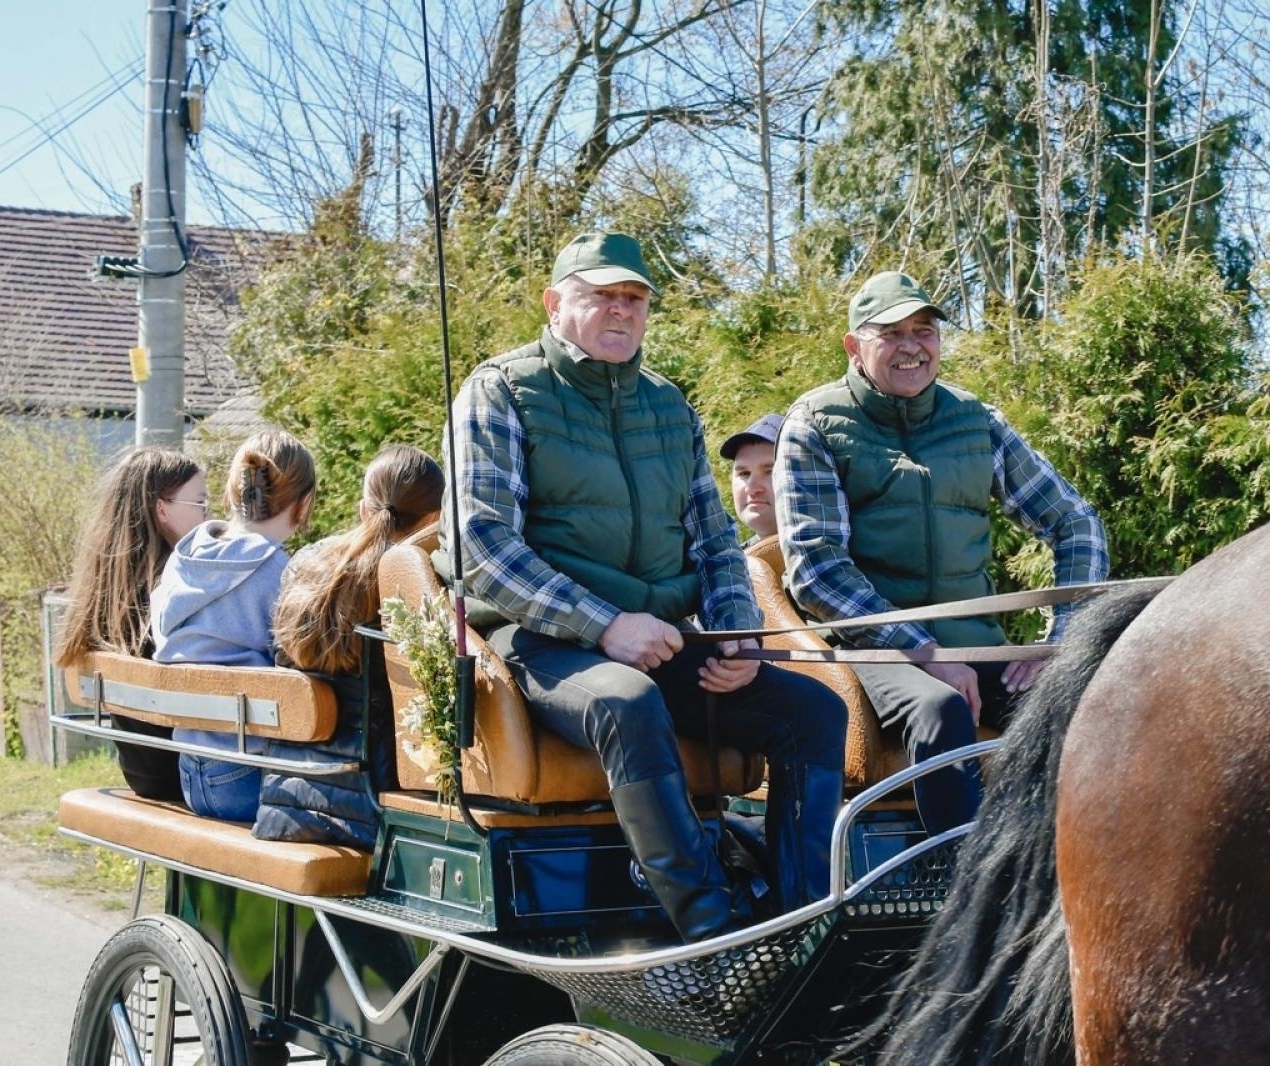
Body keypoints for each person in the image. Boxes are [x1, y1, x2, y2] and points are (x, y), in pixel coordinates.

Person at [441, 231, 847, 942]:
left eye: (634, 299)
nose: (622, 312)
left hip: (661, 638)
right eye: (602, 296)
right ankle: (711, 928)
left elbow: (715, 540)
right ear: (554, 303)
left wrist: (735, 633)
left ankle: (801, 923)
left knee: (813, 712)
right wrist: (603, 624)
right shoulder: (499, 390)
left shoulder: (669, 406)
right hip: (539, 642)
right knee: (627, 702)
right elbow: (482, 548)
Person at [777, 271, 1109, 834]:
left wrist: (1061, 642)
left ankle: (1062, 891)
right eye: (892, 333)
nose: (912, 346)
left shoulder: (976, 420)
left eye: (925, 331)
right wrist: (924, 650)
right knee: (940, 709)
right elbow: (817, 572)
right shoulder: (813, 424)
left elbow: (1076, 524)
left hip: (976, 644)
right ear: (854, 347)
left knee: (1090, 700)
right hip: (870, 649)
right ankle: (963, 898)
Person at [259, 444, 444, 848]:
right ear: (435, 519)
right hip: (373, 811)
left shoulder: (306, 564)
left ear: (364, 509)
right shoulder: (420, 583)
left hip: (287, 798)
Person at [150, 429, 317, 821]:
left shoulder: (184, 557)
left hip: (190, 770)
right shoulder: (281, 572)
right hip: (248, 779)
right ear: (304, 504)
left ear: (232, 491)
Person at [57, 447, 208, 800]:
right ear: (161, 509)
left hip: (142, 774)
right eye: (199, 503)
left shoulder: (106, 596)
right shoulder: (177, 592)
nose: (208, 515)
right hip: (190, 775)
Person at [719, 413, 782, 545]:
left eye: (770, 472)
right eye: (744, 473)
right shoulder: (732, 563)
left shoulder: (831, 556)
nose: (752, 488)